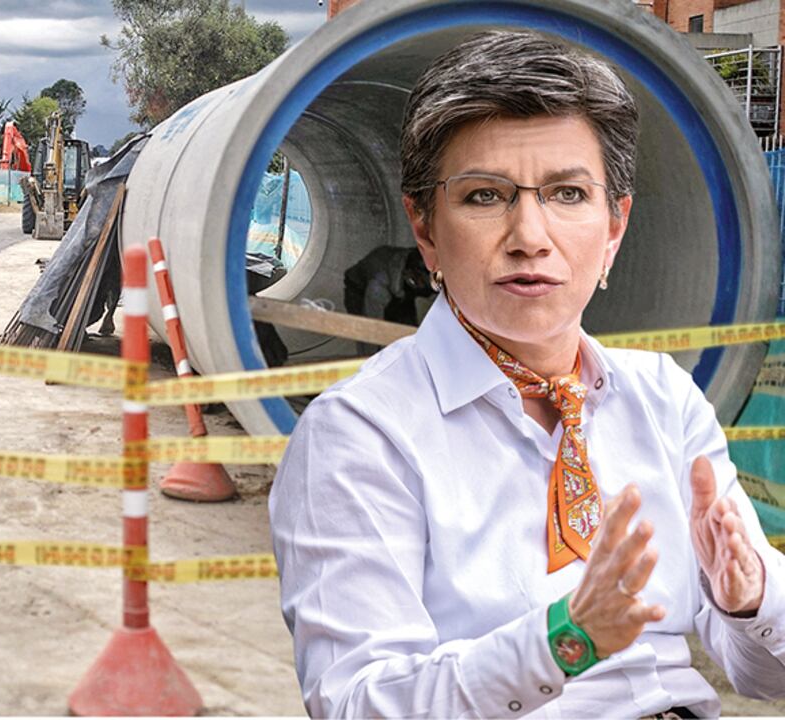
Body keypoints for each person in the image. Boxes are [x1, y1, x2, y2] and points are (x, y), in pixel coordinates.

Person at [269, 31, 785, 718]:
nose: (530, 235)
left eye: (569, 194)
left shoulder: (661, 397)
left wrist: (746, 600)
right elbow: (360, 702)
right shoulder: (363, 434)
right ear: (425, 228)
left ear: (613, 229)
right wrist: (561, 642)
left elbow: (765, 677)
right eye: (485, 197)